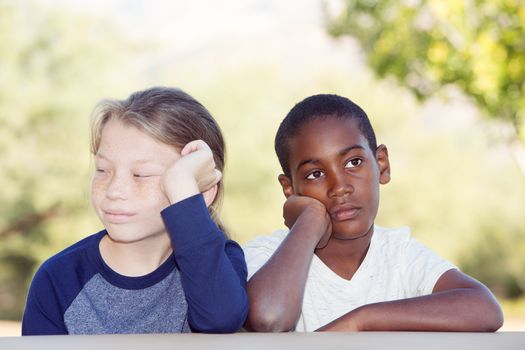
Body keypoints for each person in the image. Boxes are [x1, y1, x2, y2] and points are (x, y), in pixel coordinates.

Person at [243, 94, 503, 332]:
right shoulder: (267, 255)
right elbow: (268, 317)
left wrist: (361, 321)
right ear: (289, 189)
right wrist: (309, 220)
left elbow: (485, 308)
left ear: (382, 165)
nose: (340, 187)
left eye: (353, 162)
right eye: (315, 174)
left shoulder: (399, 255)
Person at [22, 87, 248, 335]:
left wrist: (182, 184)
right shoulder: (58, 279)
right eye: (102, 170)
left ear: (202, 192)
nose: (114, 190)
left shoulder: (219, 263)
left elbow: (220, 319)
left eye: (141, 174)